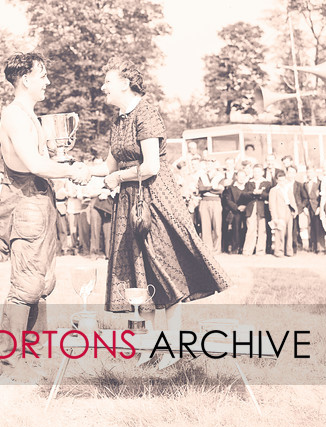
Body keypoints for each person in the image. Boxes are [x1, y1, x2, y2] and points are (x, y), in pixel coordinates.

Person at [90, 58, 229, 334]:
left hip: (154, 199)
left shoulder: (146, 113)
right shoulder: (117, 121)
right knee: (136, 271)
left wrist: (118, 177)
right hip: (130, 200)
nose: (103, 86)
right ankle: (144, 345)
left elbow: (151, 166)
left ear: (125, 84)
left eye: (108, 81)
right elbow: (108, 166)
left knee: (164, 269)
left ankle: (172, 345)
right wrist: (76, 171)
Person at [0, 52, 91, 371]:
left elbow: (40, 162)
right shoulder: (16, 116)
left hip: (40, 203)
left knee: (44, 282)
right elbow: (34, 165)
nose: (47, 81)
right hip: (26, 206)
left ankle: (34, 356)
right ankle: (8, 359)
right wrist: (72, 171)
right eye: (43, 75)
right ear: (25, 79)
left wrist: (62, 163)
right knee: (27, 285)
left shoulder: (28, 114)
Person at [241, 165, 271, 255]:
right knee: (251, 229)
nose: (256, 174)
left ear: (262, 172)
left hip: (262, 208)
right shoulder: (249, 183)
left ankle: (260, 250)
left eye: (258, 172)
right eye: (254, 172)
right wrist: (253, 193)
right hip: (251, 208)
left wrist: (261, 193)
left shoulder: (267, 183)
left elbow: (270, 195)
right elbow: (244, 195)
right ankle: (248, 250)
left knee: (262, 229)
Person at [268, 168, 296, 257]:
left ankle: (289, 251)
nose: (282, 182)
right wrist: (274, 217)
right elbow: (272, 205)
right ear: (277, 180)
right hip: (279, 213)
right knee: (279, 232)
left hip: (288, 212)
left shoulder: (288, 189)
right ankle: (279, 251)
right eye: (280, 180)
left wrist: (294, 210)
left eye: (283, 180)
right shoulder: (274, 190)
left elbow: (292, 200)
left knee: (289, 233)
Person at [222, 169, 248, 254]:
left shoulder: (247, 187)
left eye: (243, 177)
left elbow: (250, 198)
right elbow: (228, 200)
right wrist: (237, 208)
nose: (241, 178)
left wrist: (245, 207)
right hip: (235, 212)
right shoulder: (231, 188)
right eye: (239, 176)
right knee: (235, 230)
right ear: (236, 177)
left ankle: (243, 248)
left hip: (246, 212)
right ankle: (234, 248)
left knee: (245, 229)